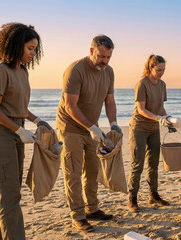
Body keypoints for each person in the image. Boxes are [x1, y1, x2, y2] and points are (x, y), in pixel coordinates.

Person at [0, 22, 51, 240]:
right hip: (0, 134)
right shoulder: (1, 70)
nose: (33, 53)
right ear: (15, 45)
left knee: (6, 193)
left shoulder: (22, 71)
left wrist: (36, 120)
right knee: (9, 195)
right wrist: (19, 130)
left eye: (35, 49)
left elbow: (19, 107)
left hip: (16, 131)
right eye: (30, 48)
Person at [56, 34, 121, 231]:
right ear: (91, 51)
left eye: (108, 57)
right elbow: (70, 106)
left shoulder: (108, 72)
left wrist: (114, 123)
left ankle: (92, 209)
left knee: (93, 170)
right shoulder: (75, 70)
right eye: (101, 56)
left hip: (92, 126)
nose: (105, 61)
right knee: (73, 173)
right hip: (70, 127)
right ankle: (78, 215)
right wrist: (91, 127)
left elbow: (109, 100)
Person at [127, 54, 177, 212]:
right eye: (158, 70)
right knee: (137, 164)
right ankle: (132, 198)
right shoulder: (142, 84)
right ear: (150, 68)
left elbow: (161, 107)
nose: (161, 72)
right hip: (139, 128)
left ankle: (153, 195)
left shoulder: (162, 84)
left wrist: (168, 120)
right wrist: (158, 118)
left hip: (154, 128)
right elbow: (141, 109)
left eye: (163, 70)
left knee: (154, 163)